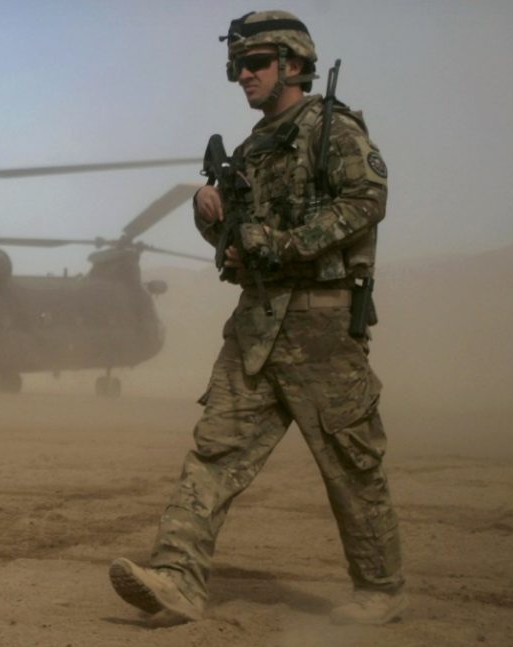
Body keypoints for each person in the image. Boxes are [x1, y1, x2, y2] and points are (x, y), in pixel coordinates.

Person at [109, 10, 405, 627]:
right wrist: (208, 211)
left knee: (350, 464)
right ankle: (177, 579)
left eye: (257, 63)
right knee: (213, 454)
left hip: (322, 325)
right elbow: (237, 242)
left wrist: (283, 243)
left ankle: (381, 590)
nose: (243, 75)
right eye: (237, 65)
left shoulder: (333, 130)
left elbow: (366, 201)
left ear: (293, 64)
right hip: (256, 324)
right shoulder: (251, 150)